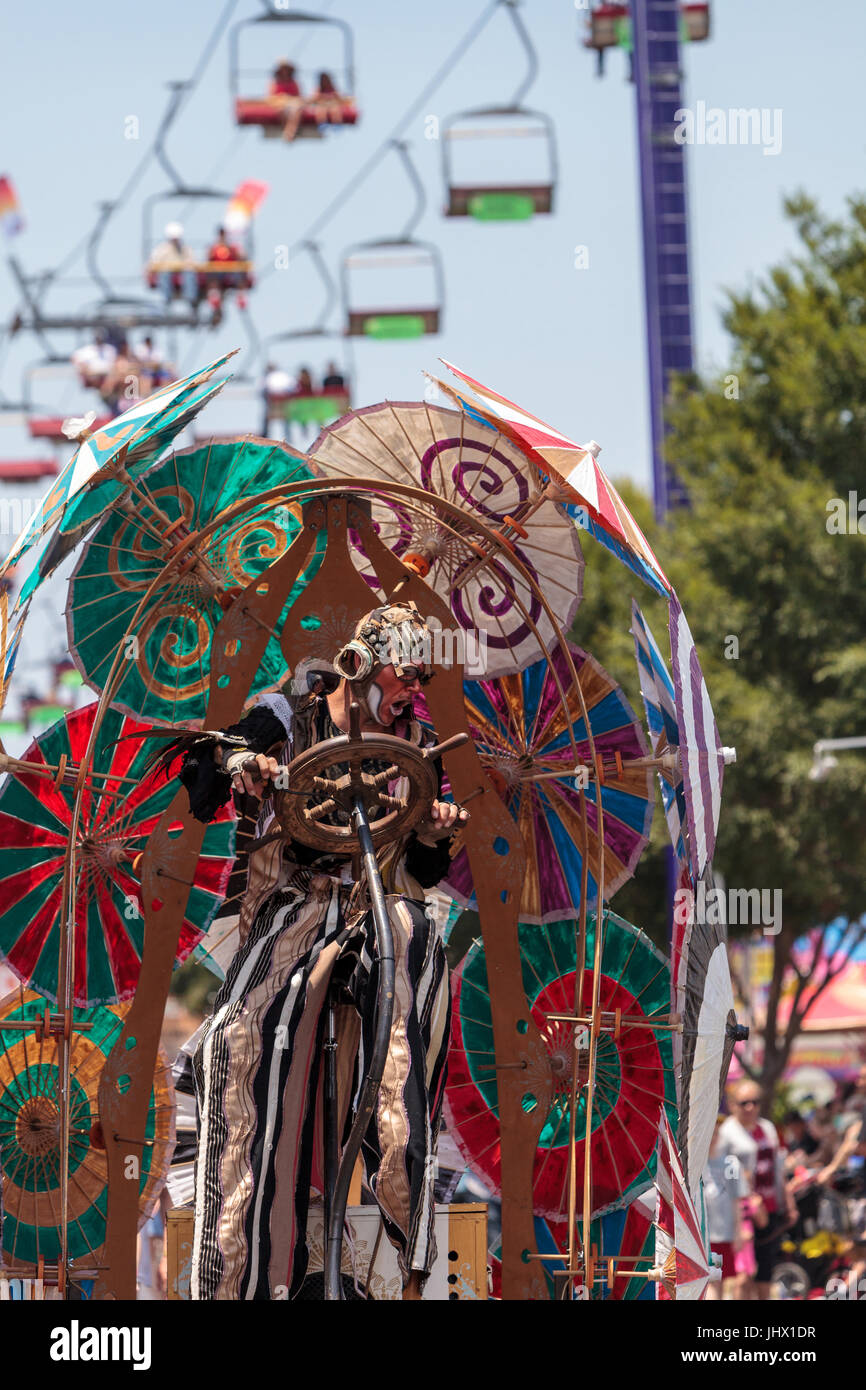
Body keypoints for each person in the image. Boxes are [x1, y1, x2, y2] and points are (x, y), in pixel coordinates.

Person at [167, 603, 467, 1301]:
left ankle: (406, 1219)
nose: (413, 689)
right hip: (292, 908)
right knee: (242, 1044)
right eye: (405, 673)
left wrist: (433, 827)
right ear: (363, 664)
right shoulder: (284, 712)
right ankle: (241, 1272)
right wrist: (244, 762)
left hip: (373, 907)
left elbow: (423, 872)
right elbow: (204, 770)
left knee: (416, 939)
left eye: (422, 677)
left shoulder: (416, 742)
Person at [718, 1080, 798, 1299]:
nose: (750, 1108)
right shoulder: (726, 1132)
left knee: (765, 1271)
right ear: (733, 1105)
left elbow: (778, 1167)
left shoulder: (768, 1128)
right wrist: (744, 1192)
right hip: (742, 1213)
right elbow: (720, 1171)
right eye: (744, 1103)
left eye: (755, 1102)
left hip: (769, 1208)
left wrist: (788, 1202)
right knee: (744, 1274)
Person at [702, 1115, 747, 1300]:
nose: (712, 1137)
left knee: (723, 1280)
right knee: (711, 1280)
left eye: (716, 1133)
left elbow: (737, 1199)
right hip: (705, 1233)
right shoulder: (698, 1163)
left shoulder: (730, 1163)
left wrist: (739, 1231)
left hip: (725, 1232)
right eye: (709, 1133)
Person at [204, 227, 248, 324]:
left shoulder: (232, 247)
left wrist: (236, 252)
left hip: (230, 271)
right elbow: (208, 257)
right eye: (221, 235)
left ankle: (241, 296)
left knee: (239, 274)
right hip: (218, 271)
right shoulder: (214, 247)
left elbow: (241, 257)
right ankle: (214, 296)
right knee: (212, 275)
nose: (222, 237)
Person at [148, 222, 198, 305]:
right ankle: (167, 299)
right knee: (164, 274)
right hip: (167, 272)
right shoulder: (162, 249)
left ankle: (191, 298)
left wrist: (188, 265)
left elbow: (192, 262)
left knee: (189, 274)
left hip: (182, 272)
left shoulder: (185, 249)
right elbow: (153, 262)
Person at [268, 60, 305, 142]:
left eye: (286, 69)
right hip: (280, 103)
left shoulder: (293, 82)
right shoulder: (275, 83)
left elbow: (298, 95)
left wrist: (289, 98)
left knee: (296, 109)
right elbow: (271, 96)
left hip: (292, 103)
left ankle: (291, 131)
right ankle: (287, 130)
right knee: (281, 110)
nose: (284, 71)